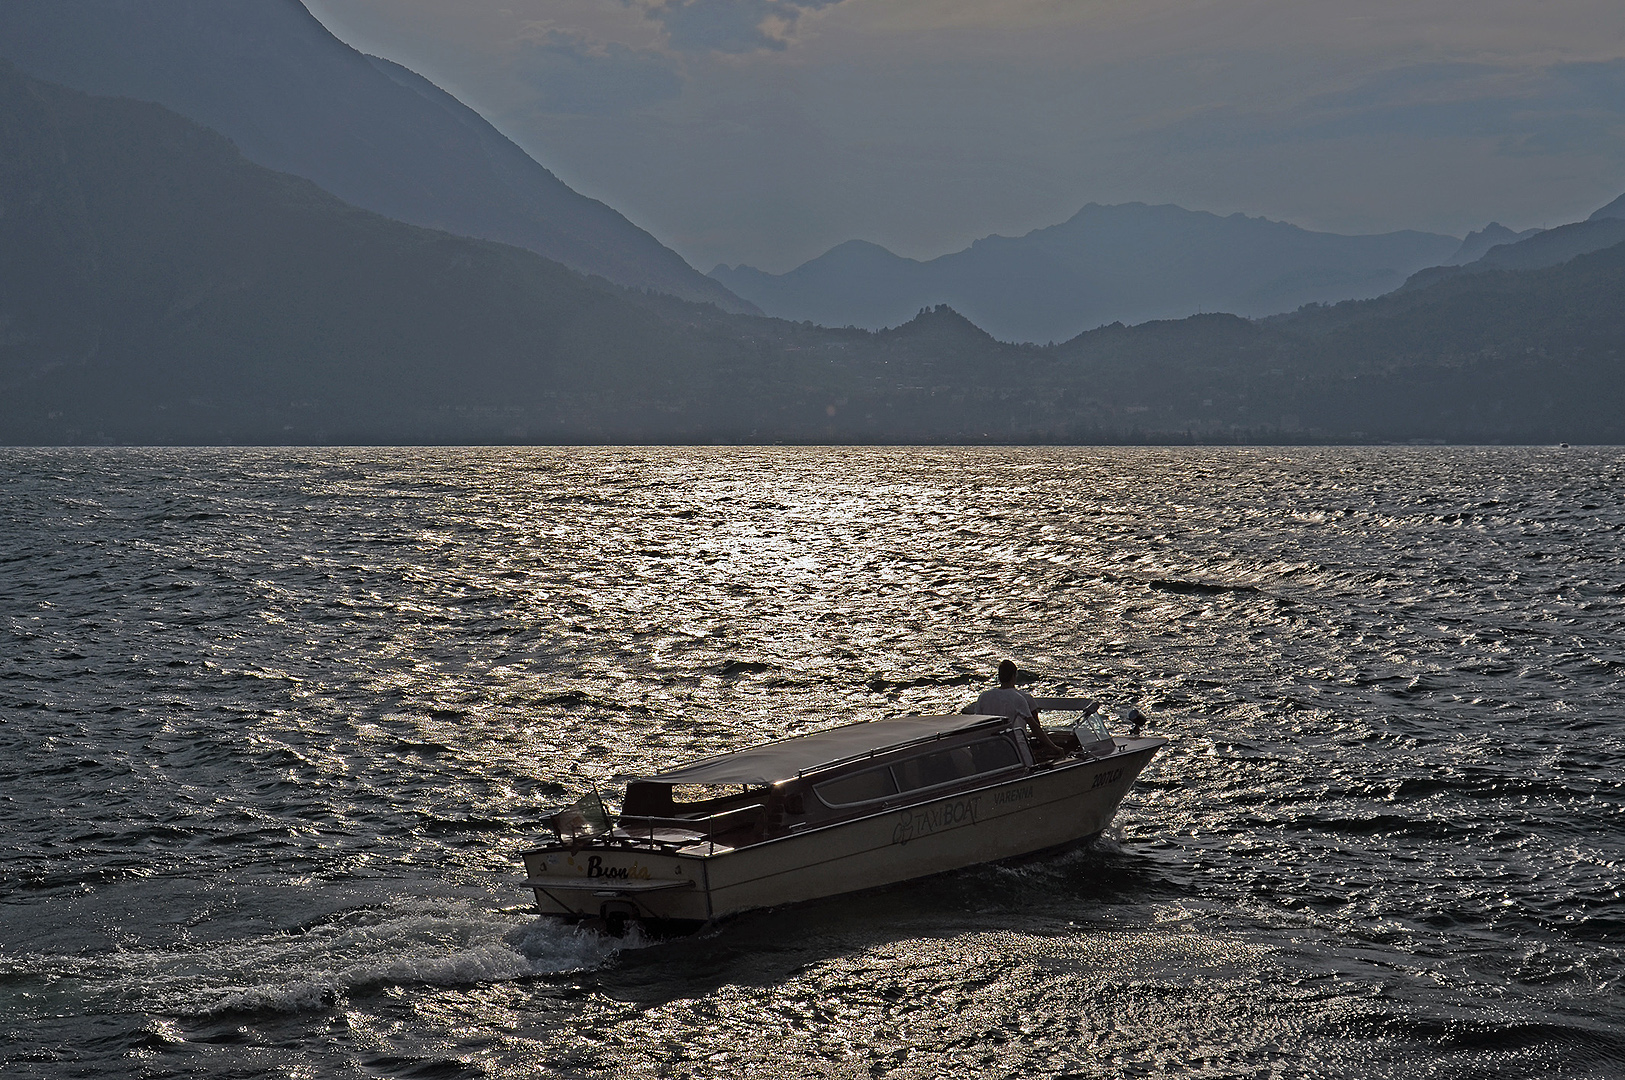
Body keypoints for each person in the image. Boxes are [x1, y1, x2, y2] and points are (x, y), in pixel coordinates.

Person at [973, 660, 1062, 756]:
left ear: (999, 676)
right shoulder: (1018, 698)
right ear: (1014, 676)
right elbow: (1035, 727)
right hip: (1011, 748)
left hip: (988, 748)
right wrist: (1054, 747)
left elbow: (976, 723)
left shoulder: (984, 696)